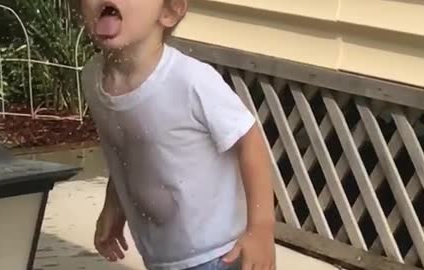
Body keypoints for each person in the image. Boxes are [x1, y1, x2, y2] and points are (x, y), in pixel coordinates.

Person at [75, 0, 276, 269]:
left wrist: (261, 229)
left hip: (219, 253)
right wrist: (114, 204)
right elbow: (124, 151)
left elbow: (250, 141)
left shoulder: (190, 80)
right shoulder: (93, 77)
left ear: (169, 11)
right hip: (161, 256)